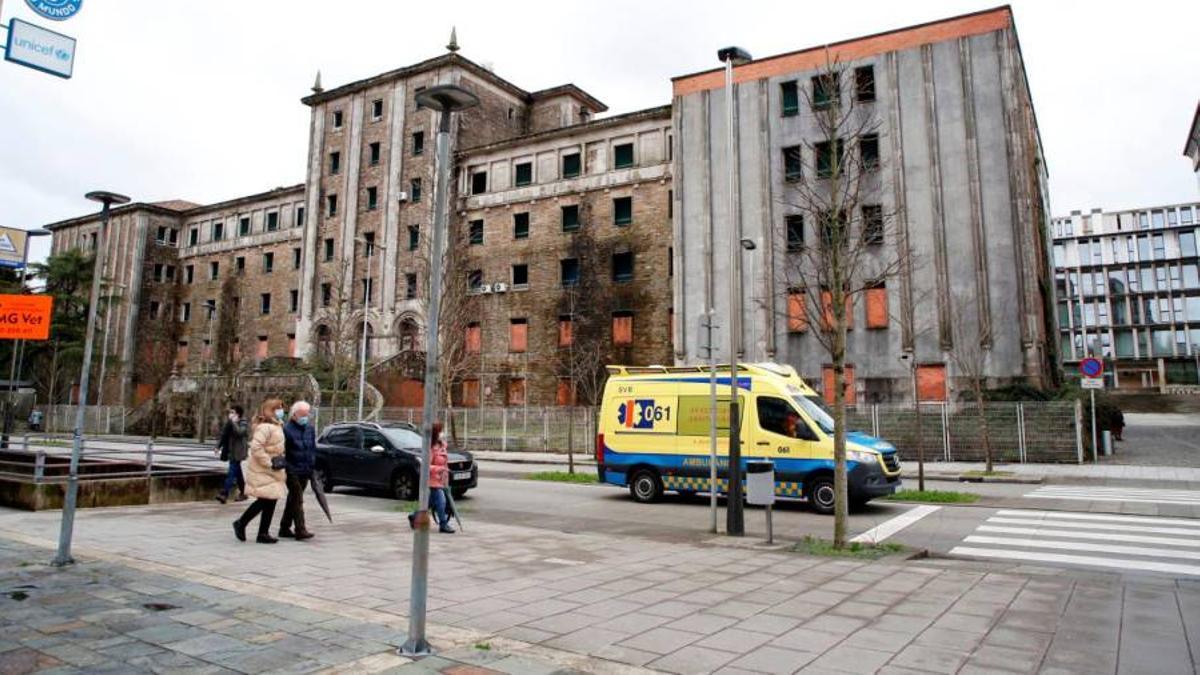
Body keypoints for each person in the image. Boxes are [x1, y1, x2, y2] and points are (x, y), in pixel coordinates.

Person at [233, 398, 287, 544]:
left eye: (281, 408)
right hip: (264, 469)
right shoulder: (265, 427)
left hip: (274, 469)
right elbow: (256, 447)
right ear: (270, 410)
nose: (281, 411)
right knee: (264, 500)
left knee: (271, 499)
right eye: (278, 408)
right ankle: (242, 522)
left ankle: (263, 532)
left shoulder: (277, 425)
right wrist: (269, 462)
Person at [279, 400, 316, 541]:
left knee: (293, 499)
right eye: (302, 415)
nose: (305, 418)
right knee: (298, 498)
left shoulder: (310, 429)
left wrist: (312, 465)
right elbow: (283, 451)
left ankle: (284, 527)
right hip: (292, 469)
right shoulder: (286, 429)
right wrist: (287, 467)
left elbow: (312, 448)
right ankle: (300, 529)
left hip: (305, 469)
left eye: (307, 414)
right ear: (294, 415)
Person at [408, 422, 455, 534]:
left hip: (440, 480)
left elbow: (445, 463)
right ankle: (443, 524)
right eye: (440, 431)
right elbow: (426, 466)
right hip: (431, 481)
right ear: (436, 433)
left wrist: (445, 476)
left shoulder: (442, 446)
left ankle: (414, 516)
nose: (442, 433)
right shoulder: (431, 448)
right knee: (441, 501)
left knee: (429, 503)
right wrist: (439, 469)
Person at [215, 405, 249, 503]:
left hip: (238, 452)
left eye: (233, 412)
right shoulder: (229, 423)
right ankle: (244, 492)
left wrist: (233, 423)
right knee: (237, 472)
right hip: (231, 451)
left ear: (238, 414)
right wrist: (218, 446)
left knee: (231, 472)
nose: (230, 414)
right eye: (230, 412)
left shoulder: (243, 422)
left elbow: (240, 432)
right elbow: (224, 435)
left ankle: (224, 493)